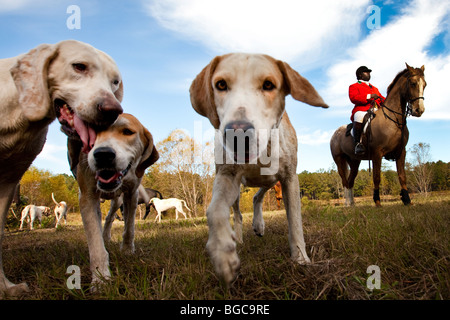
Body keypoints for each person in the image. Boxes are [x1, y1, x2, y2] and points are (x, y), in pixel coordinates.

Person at [349, 66, 385, 155]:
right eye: (366, 72)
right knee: (359, 117)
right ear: (360, 75)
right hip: (362, 110)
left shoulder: (374, 88)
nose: (369, 74)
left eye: (369, 72)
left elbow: (381, 98)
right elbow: (354, 98)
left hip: (376, 110)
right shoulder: (354, 86)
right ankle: (358, 143)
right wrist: (370, 96)